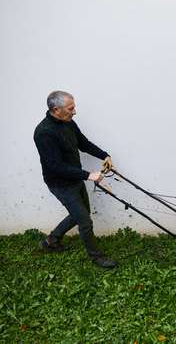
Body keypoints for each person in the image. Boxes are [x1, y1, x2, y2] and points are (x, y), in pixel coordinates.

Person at [34, 91, 117, 268]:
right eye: (71, 108)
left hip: (75, 178)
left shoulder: (68, 122)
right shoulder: (43, 133)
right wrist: (88, 175)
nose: (74, 112)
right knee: (85, 221)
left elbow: (83, 143)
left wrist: (105, 155)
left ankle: (51, 240)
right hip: (60, 184)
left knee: (80, 214)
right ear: (56, 109)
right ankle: (97, 257)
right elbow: (54, 166)